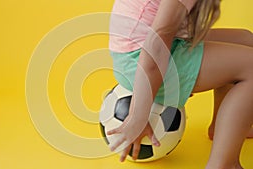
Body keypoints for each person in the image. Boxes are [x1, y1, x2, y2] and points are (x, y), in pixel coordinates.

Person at [106, 0, 253, 168]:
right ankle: (224, 164)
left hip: (143, 46)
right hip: (139, 60)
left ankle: (224, 127)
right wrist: (138, 116)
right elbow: (157, 46)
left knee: (246, 39)